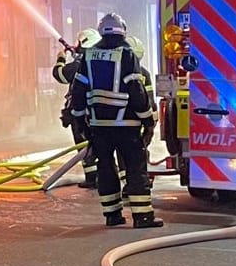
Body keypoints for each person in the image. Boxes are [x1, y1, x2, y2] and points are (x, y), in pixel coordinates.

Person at [69, 13, 163, 228]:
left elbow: (79, 90)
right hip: (127, 125)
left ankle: (112, 215)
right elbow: (136, 91)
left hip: (99, 126)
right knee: (135, 168)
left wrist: (80, 122)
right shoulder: (127, 54)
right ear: (123, 31)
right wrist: (147, 120)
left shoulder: (89, 55)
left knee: (106, 168)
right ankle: (142, 217)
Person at [53, 28, 101, 188]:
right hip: (99, 112)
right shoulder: (100, 61)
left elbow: (59, 74)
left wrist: (61, 58)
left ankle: (91, 178)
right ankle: (104, 176)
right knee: (100, 145)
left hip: (81, 113)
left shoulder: (78, 65)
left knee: (83, 144)